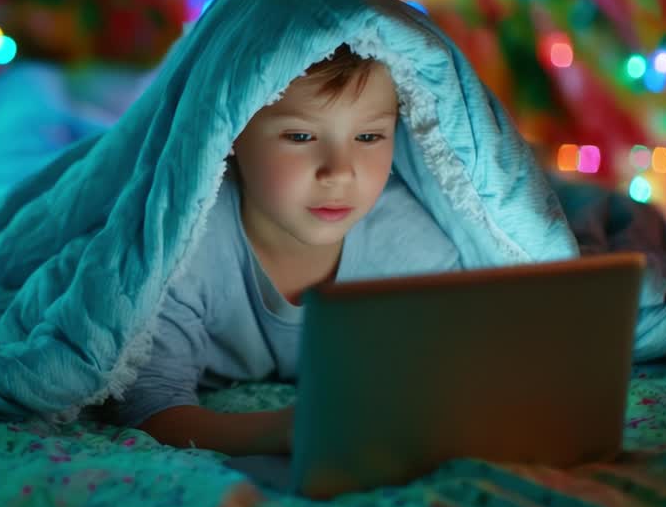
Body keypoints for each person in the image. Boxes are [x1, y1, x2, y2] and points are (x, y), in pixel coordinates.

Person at [114, 43, 460, 455]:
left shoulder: (409, 245)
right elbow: (149, 406)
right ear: (232, 136)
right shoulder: (185, 243)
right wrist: (277, 433)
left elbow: (457, 373)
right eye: (300, 136)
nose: (339, 172)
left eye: (368, 136)